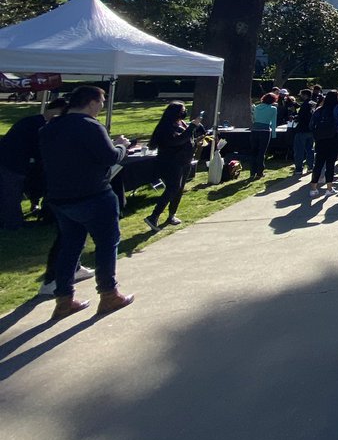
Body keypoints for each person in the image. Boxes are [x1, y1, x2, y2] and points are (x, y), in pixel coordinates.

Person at [39, 85, 134, 318]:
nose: (102, 107)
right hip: (93, 195)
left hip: (60, 198)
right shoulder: (90, 126)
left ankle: (63, 299)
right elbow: (110, 157)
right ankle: (109, 294)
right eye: (101, 102)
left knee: (70, 247)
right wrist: (122, 145)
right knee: (107, 243)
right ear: (91, 102)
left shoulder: (50, 128)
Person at [1, 98, 68, 230]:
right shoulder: (39, 126)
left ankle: (13, 220)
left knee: (12, 192)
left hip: (15, 162)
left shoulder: (31, 121)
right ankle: (12, 224)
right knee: (11, 195)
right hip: (12, 163)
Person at [144, 102, 204, 231]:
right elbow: (177, 141)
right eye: (182, 109)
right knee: (173, 188)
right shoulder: (167, 127)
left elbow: (187, 139)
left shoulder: (182, 123)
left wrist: (196, 140)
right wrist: (192, 126)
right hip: (171, 162)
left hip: (185, 160)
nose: (185, 111)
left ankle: (172, 215)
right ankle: (153, 216)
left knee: (180, 189)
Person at [309, 90, 338, 197]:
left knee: (318, 163)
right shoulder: (337, 110)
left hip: (321, 138)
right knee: (330, 163)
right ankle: (329, 188)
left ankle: (313, 188)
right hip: (335, 137)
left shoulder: (318, 110)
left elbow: (311, 125)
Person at [248, 92, 278, 180]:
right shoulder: (273, 109)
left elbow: (253, 119)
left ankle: (252, 172)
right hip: (265, 131)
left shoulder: (256, 107)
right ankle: (259, 172)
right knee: (261, 152)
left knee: (253, 151)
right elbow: (274, 121)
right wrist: (273, 134)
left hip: (255, 130)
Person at [291, 89, 316, 176]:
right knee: (310, 149)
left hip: (302, 129)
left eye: (301, 95)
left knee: (299, 150)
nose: (300, 96)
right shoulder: (313, 104)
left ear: (305, 95)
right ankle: (310, 166)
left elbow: (301, 117)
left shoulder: (305, 105)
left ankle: (298, 168)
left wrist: (295, 117)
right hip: (311, 130)